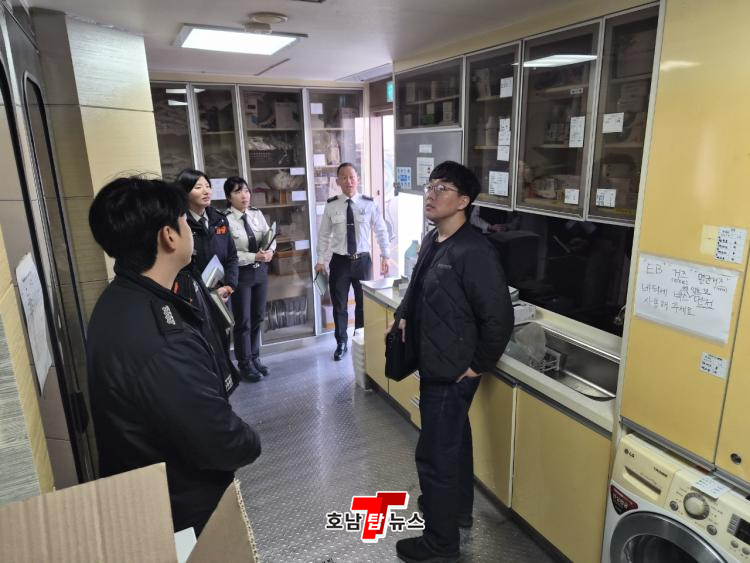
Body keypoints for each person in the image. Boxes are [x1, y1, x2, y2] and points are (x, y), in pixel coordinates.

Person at [86, 176, 261, 535]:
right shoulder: (163, 339)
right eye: (183, 220)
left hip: (149, 497)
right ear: (168, 236)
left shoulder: (121, 297)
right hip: (181, 510)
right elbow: (219, 441)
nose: (189, 228)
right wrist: (250, 440)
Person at [393, 162, 514, 563]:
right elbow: (417, 286)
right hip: (435, 362)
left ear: (463, 201)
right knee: (454, 443)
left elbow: (499, 318)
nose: (431, 194)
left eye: (442, 188)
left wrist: (477, 366)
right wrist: (404, 315)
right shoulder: (435, 239)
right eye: (430, 186)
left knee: (435, 456)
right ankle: (456, 511)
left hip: (453, 370)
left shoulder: (474, 251)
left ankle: (440, 544)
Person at [315, 163, 390, 361]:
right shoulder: (331, 205)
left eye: (352, 177)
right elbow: (323, 235)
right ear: (337, 181)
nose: (348, 181)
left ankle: (360, 341)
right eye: (344, 177)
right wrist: (320, 260)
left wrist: (386, 255)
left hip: (362, 262)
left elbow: (381, 230)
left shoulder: (369, 204)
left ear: (358, 179)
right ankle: (341, 342)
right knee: (339, 305)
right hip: (339, 262)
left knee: (363, 304)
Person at [224, 177, 275, 382]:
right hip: (241, 275)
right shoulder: (225, 220)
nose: (244, 196)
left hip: (260, 273)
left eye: (246, 191)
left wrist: (270, 251)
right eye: (237, 192)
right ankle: (244, 363)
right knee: (243, 321)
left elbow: (270, 236)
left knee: (258, 317)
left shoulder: (256, 213)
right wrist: (255, 257)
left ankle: (255, 358)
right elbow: (229, 254)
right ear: (229, 197)